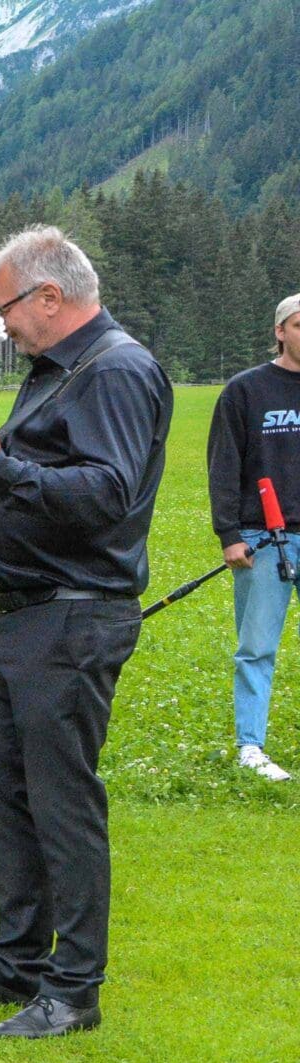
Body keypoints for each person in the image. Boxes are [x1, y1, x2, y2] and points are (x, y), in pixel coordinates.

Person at [0, 226, 171, 1039]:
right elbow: (42, 485)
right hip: (21, 614)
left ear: (50, 297)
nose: (0, 328)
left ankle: (74, 988)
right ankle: (18, 959)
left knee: (61, 805)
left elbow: (106, 494)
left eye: (6, 310)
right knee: (8, 797)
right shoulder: (55, 373)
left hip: (73, 615)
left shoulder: (116, 370)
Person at [207, 291, 300, 782]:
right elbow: (223, 466)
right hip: (263, 539)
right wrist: (229, 534)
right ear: (280, 331)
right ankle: (251, 746)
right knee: (257, 646)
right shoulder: (245, 391)